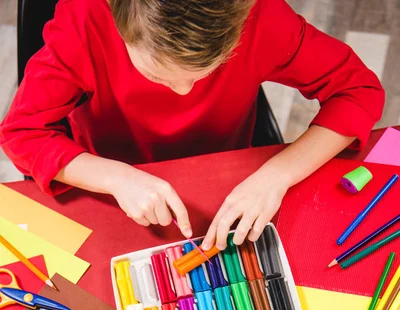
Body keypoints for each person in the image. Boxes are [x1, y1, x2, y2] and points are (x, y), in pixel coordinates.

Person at [0, 0, 384, 249]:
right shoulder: (85, 20)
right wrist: (116, 179)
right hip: (113, 186)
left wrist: (277, 176)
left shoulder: (262, 15)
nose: (184, 92)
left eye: (206, 73)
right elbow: (22, 133)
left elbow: (359, 90)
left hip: (226, 173)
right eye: (160, 76)